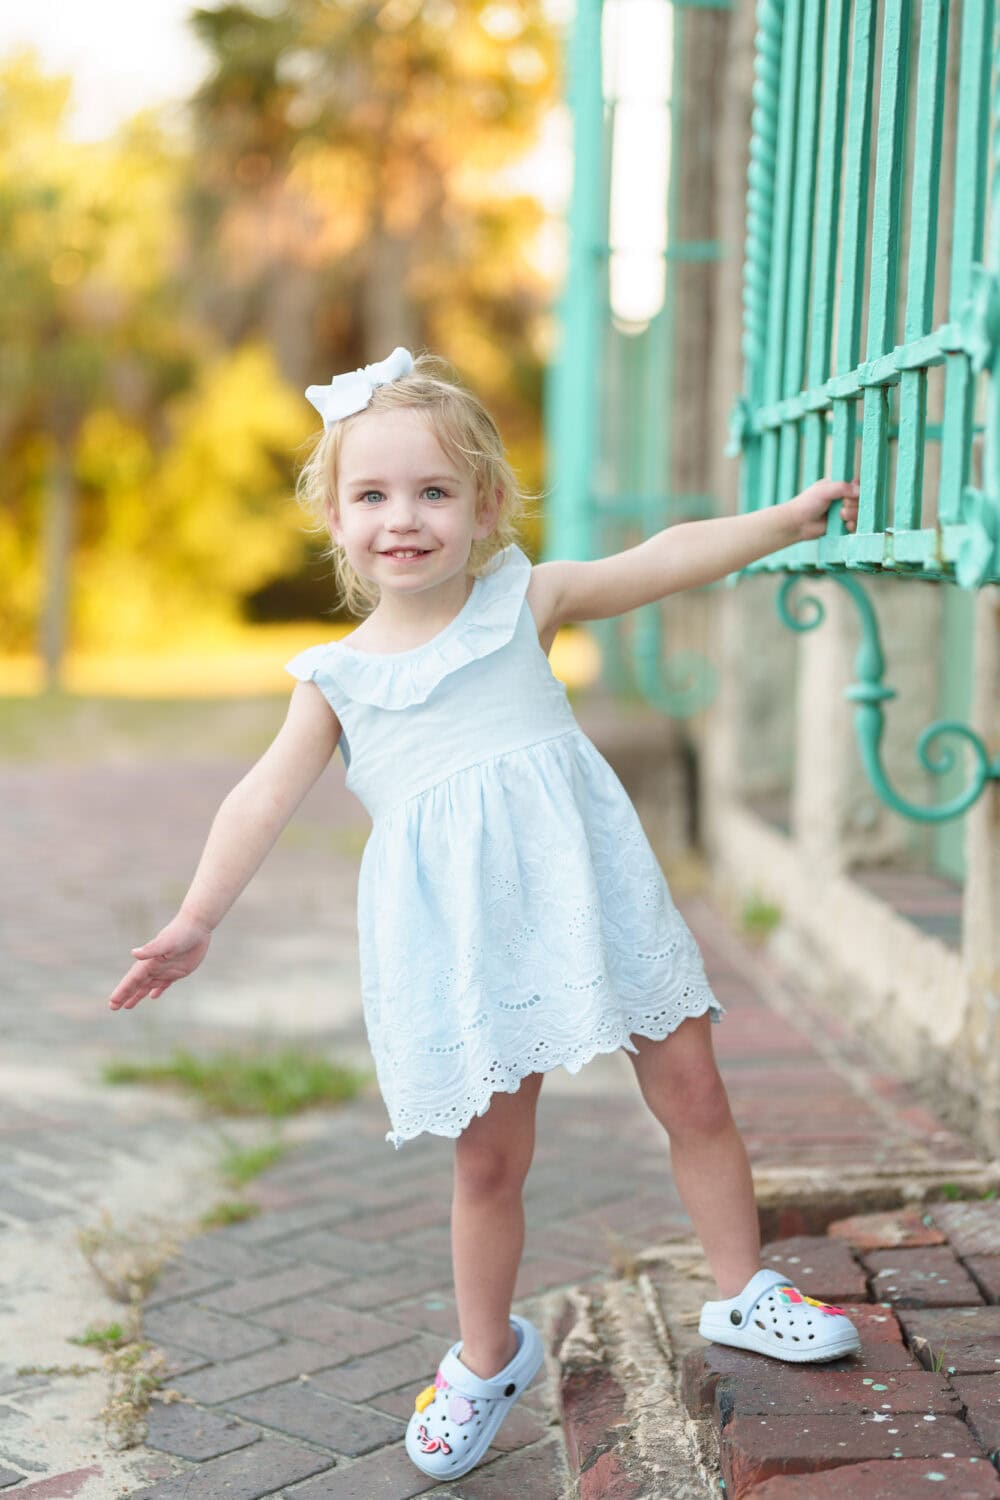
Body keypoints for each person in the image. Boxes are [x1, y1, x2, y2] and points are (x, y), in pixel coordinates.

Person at [108, 348, 864, 1482]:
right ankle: (482, 1356)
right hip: (461, 942)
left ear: (483, 508)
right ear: (334, 515)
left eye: (431, 493)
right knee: (487, 1160)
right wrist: (197, 918)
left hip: (587, 891)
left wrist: (783, 521)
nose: (401, 519)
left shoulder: (525, 599)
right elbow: (261, 794)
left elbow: (658, 559)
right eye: (371, 496)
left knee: (694, 1088)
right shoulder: (337, 677)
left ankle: (742, 1289)